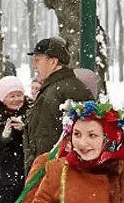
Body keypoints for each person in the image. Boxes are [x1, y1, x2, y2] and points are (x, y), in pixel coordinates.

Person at [23, 36, 93, 173]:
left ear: (53, 62)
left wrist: (41, 171)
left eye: (37, 60)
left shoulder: (62, 90)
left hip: (56, 175)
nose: (34, 66)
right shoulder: (54, 89)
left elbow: (48, 138)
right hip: (53, 173)